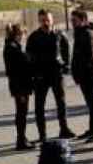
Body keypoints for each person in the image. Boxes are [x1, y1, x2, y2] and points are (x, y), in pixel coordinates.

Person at [26, 10, 75, 142]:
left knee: (61, 103)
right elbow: (29, 56)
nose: (45, 23)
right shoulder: (34, 37)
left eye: (47, 20)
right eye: (42, 20)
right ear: (39, 21)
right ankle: (42, 134)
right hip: (41, 76)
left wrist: (66, 65)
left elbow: (67, 49)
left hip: (56, 74)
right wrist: (33, 74)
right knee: (39, 106)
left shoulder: (59, 34)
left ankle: (64, 129)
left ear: (52, 19)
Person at [71, 10, 93, 142]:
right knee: (91, 104)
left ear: (83, 19)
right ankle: (92, 130)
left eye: (74, 20)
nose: (72, 23)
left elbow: (90, 57)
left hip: (90, 75)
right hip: (84, 76)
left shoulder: (88, 34)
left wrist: (83, 73)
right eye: (71, 20)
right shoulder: (80, 33)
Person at [3, 24, 34, 150]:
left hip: (19, 85)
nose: (23, 37)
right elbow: (17, 68)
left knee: (22, 112)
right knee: (21, 113)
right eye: (23, 34)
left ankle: (22, 137)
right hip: (20, 86)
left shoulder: (12, 46)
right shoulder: (12, 48)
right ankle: (21, 139)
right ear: (18, 35)